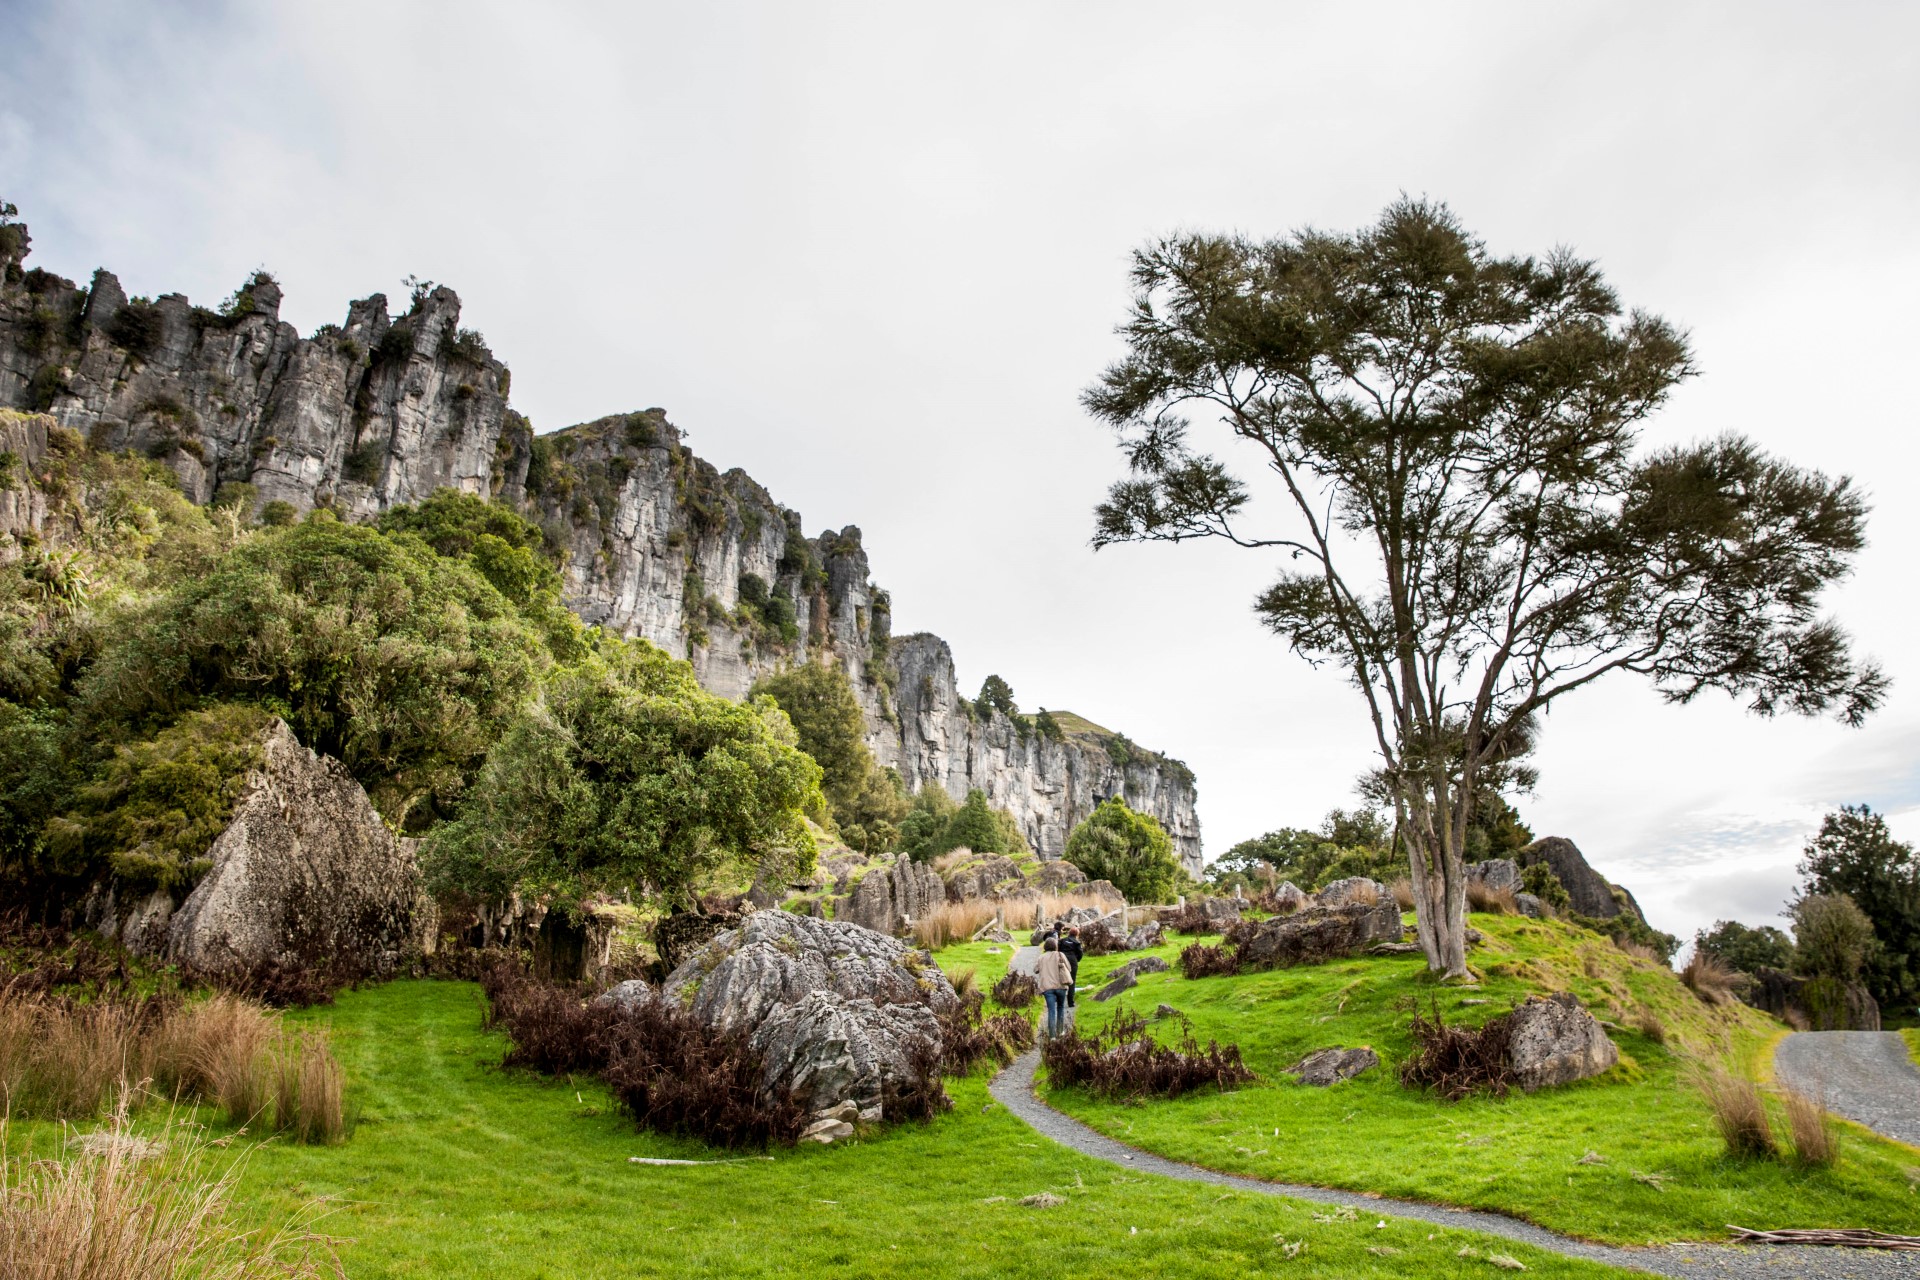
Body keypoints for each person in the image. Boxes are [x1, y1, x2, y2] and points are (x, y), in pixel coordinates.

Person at [1036, 938, 1073, 1039]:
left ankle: (1052, 1036)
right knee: (1060, 1008)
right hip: (1061, 985)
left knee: (1051, 1010)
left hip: (1047, 988)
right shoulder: (1060, 955)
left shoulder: (1041, 957)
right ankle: (1060, 1031)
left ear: (1045, 946)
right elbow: (1069, 968)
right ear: (1055, 946)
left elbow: (1035, 970)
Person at [1058, 925, 1085, 1015]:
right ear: (1077, 934)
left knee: (1060, 979)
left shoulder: (1062, 940)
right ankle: (1070, 1002)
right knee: (1072, 981)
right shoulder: (1077, 943)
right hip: (1073, 961)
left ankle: (1059, 1000)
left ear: (1069, 933)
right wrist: (1076, 960)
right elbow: (1080, 953)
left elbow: (1058, 950)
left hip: (1062, 960)